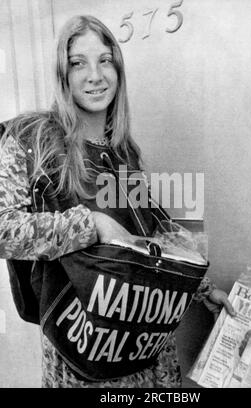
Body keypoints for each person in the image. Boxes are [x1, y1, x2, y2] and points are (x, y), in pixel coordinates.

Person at [0, 15, 235, 388]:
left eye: (105, 60)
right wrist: (90, 225)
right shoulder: (32, 138)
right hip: (87, 356)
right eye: (78, 63)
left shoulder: (124, 152)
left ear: (118, 70)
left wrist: (203, 290)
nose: (94, 75)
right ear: (63, 74)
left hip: (148, 350)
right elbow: (3, 229)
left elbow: (150, 238)